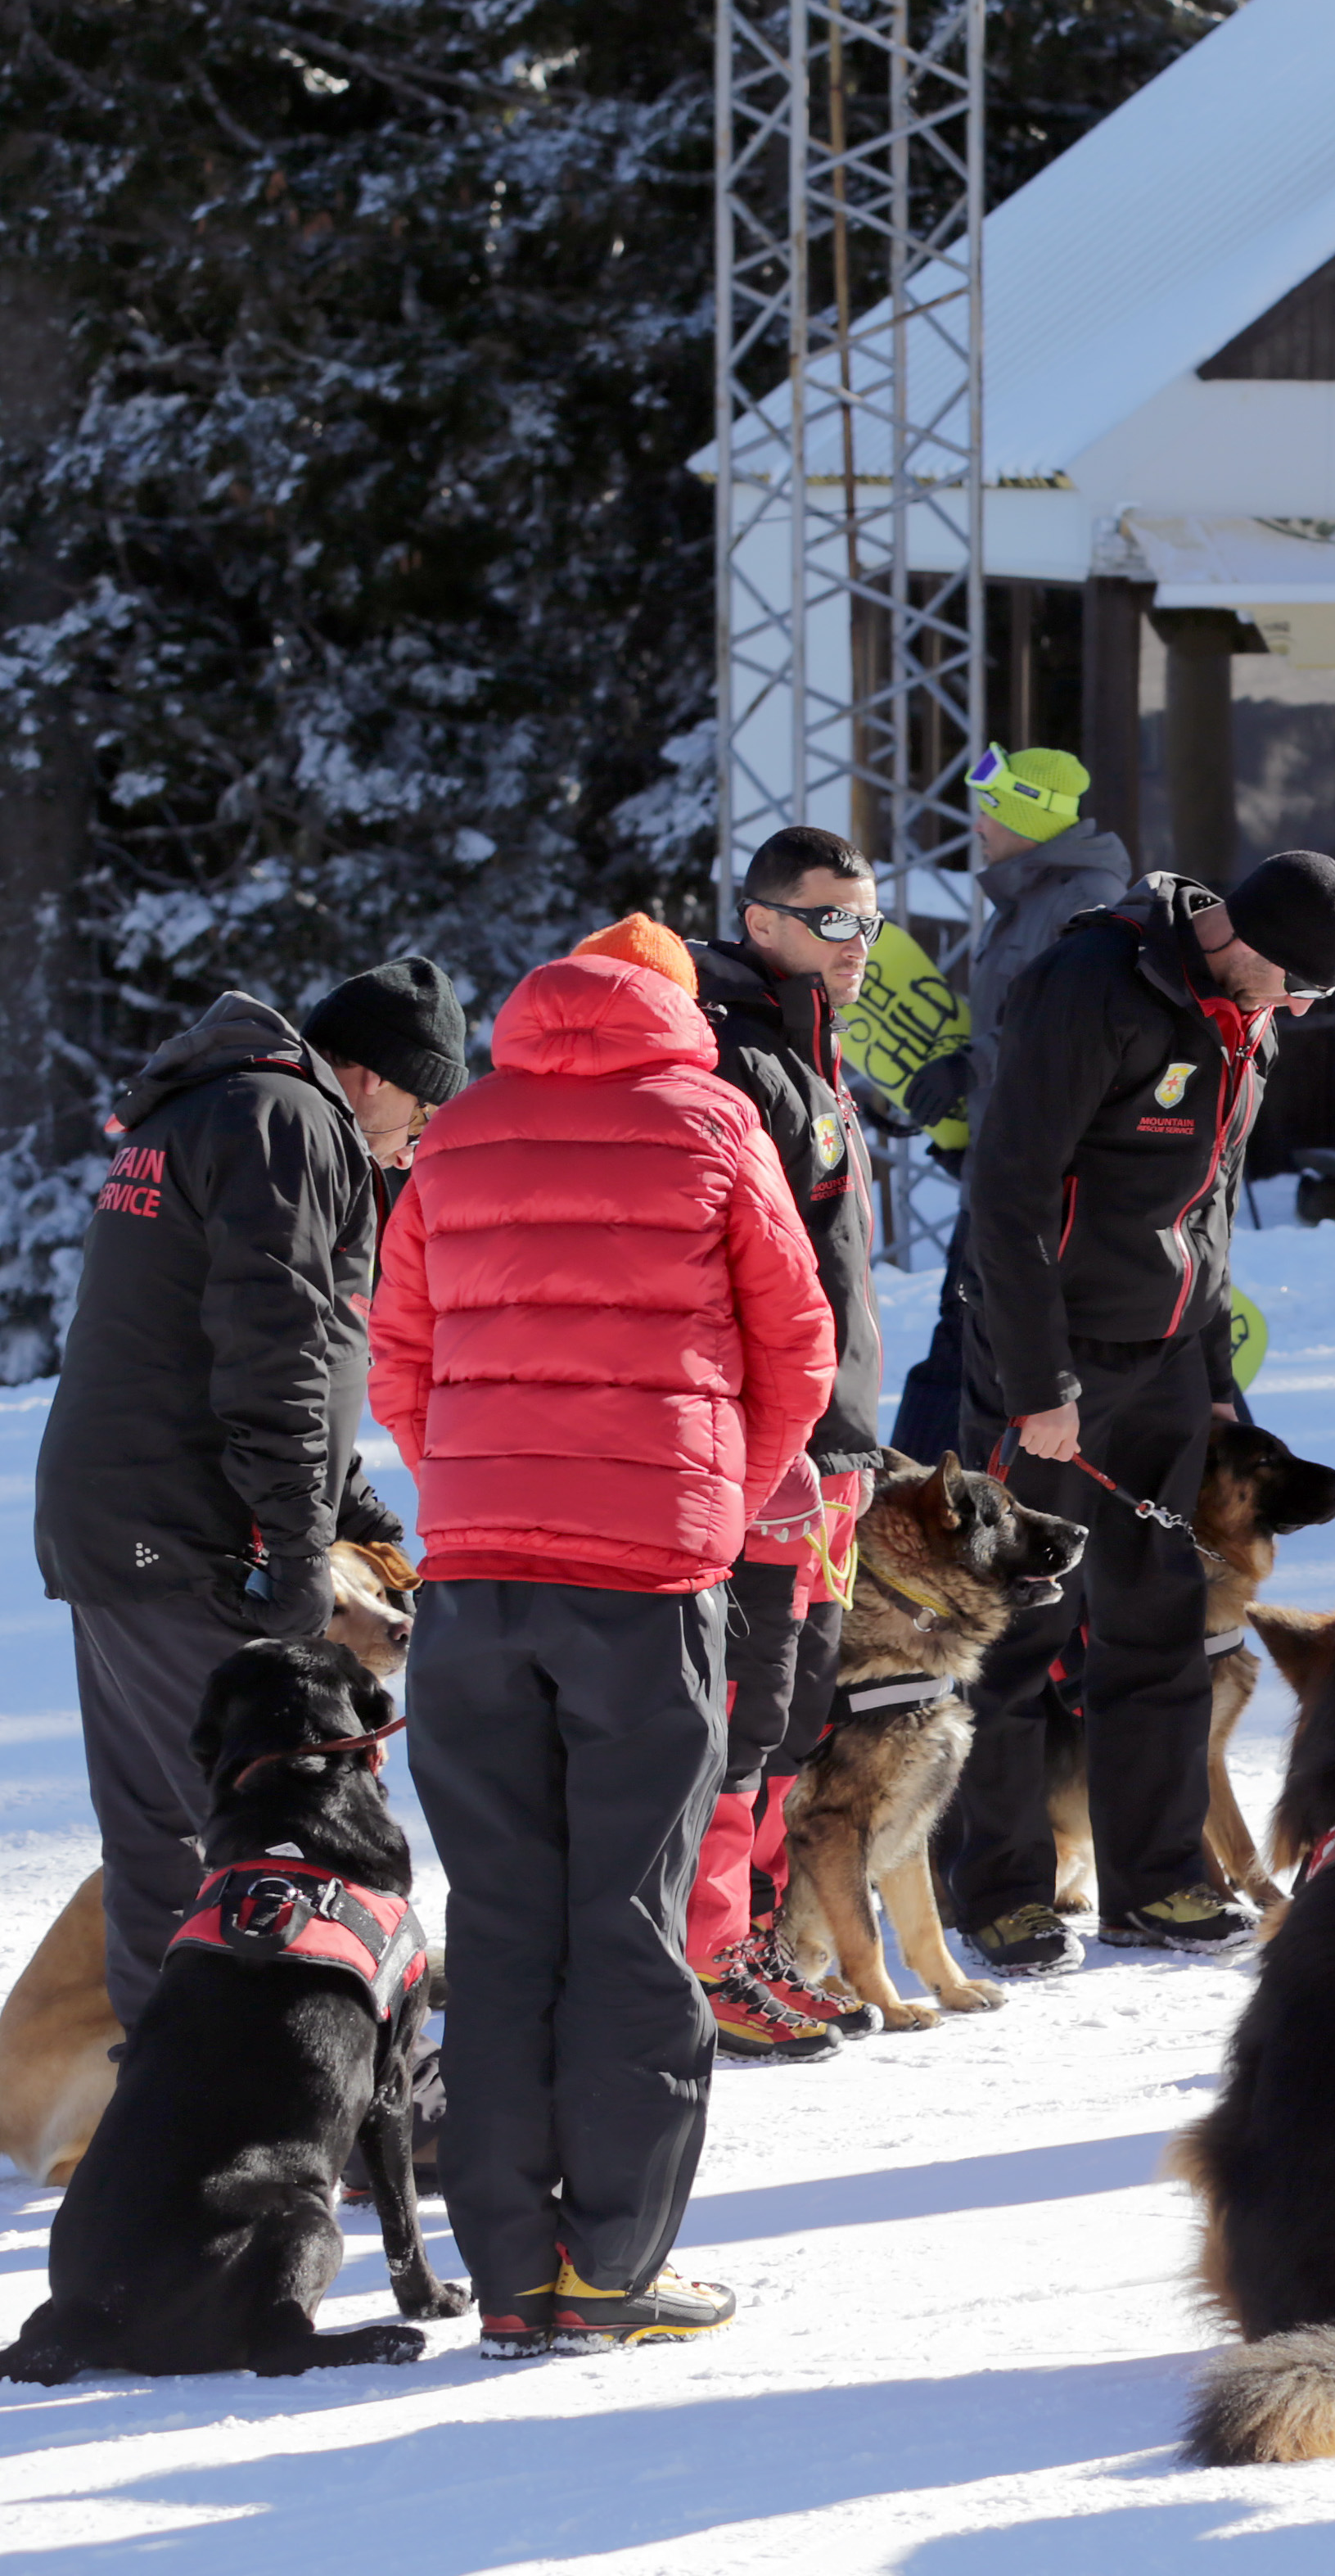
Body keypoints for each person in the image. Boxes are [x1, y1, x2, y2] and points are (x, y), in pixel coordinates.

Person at [370, 918, 833, 2353]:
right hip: (644, 1582)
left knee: (502, 1925)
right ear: (674, 1011)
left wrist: (470, 1489)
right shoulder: (713, 1119)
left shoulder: (461, 1133)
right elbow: (797, 1345)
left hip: (473, 1579)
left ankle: (511, 2279)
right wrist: (718, 1505)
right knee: (631, 1915)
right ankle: (616, 2268)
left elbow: (395, 1356)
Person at [38, 956, 464, 2031]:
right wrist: (287, 1550)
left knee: (162, 1843)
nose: (419, 1142)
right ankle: (341, 2108)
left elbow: (280, 1355)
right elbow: (273, 1359)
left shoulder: (219, 1103)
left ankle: (166, 2109)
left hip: (122, 1523)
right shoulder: (285, 1118)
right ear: (367, 1075)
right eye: (423, 1106)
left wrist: (351, 1514)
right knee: (282, 1832)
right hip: (189, 1533)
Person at [961, 847, 1335, 1958]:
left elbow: (1211, 1206)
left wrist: (1215, 1380)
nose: (1294, 1007)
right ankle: (1001, 1890)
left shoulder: (1242, 1018)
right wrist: (1037, 1383)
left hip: (1168, 1362)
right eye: (1293, 983)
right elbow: (1008, 1193)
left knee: (1158, 1634)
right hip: (1049, 1361)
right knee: (1014, 1634)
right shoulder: (1096, 982)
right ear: (1241, 937)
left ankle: (1158, 1880)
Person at [680, 834, 898, 2063]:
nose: (860, 945)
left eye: (869, 921)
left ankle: (749, 1938)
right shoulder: (733, 1050)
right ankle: (711, 1953)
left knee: (798, 1699)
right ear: (760, 921)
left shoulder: (805, 1044)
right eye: (832, 922)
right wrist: (790, 1435)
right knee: (747, 1702)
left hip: (832, 1439)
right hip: (774, 1447)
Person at [887, 745, 1130, 1462]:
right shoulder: (1029, 894)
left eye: (992, 808)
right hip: (1005, 1150)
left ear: (1029, 814)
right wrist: (960, 1119)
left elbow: (1060, 1020)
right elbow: (1003, 1019)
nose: (979, 823)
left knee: (965, 1339)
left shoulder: (1081, 900)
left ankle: (909, 1509)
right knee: (964, 1336)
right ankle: (923, 1504)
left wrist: (971, 1067)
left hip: (1036, 1167)